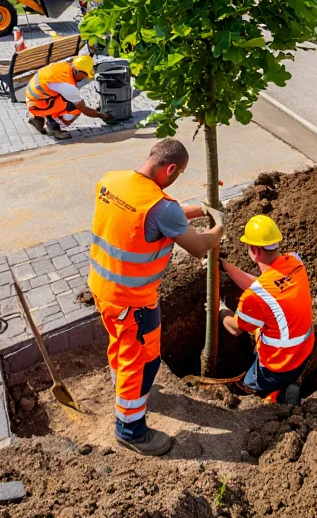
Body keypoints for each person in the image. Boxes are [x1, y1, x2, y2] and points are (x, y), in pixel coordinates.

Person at [89, 139, 224, 456]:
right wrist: (219, 226)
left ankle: (121, 386)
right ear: (171, 168)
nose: (175, 180)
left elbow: (163, 216)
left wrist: (201, 209)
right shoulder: (160, 207)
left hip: (102, 288)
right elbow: (198, 247)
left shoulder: (111, 181)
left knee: (120, 344)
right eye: (178, 175)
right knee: (142, 361)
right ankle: (130, 429)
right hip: (134, 302)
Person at [217, 215, 315, 406]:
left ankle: (280, 397)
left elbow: (235, 329)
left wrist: (220, 310)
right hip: (305, 351)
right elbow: (265, 285)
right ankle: (293, 380)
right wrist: (227, 267)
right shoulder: (295, 262)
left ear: (254, 250)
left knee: (249, 385)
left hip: (280, 366)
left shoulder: (255, 296)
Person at [25, 54, 110, 139]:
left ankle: (37, 118)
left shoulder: (65, 66)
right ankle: (53, 127)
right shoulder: (68, 85)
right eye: (86, 75)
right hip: (38, 104)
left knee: (62, 97)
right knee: (74, 108)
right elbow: (83, 108)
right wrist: (102, 116)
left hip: (33, 97)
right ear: (79, 72)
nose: (86, 77)